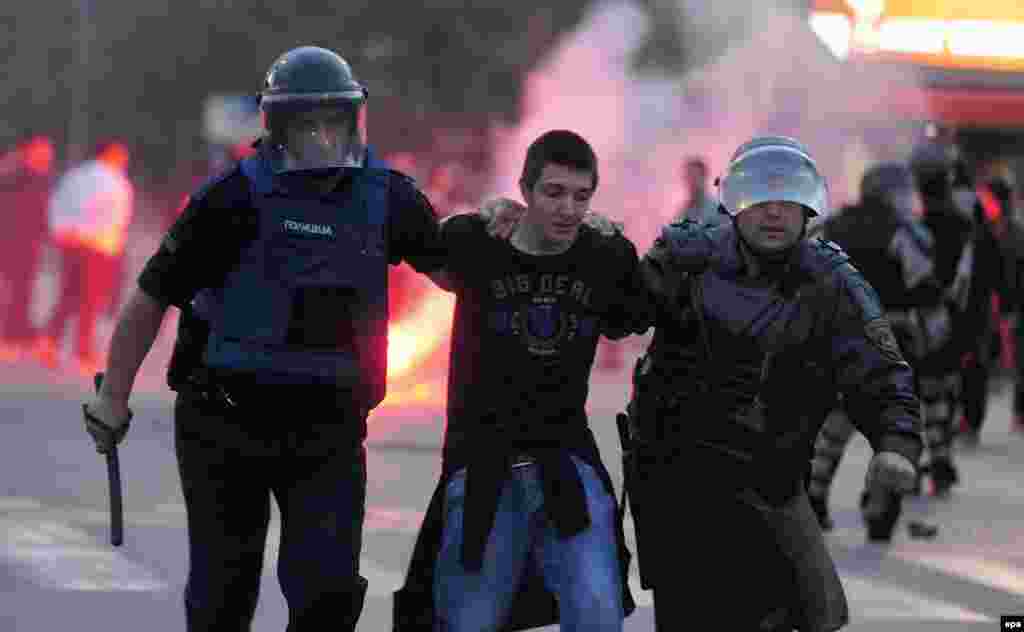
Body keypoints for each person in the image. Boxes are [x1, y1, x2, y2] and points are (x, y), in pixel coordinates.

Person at [81, 45, 450, 631]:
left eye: (334, 120)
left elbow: (452, 268)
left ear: (352, 119)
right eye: (307, 122)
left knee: (327, 596)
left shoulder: (388, 197)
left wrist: (509, 225)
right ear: (278, 125)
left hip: (328, 432)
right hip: (225, 426)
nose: (323, 135)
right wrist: (112, 398)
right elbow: (152, 295)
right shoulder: (228, 199)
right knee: (224, 596)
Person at [626, 136, 922, 630]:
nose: (773, 212)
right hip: (679, 483)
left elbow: (879, 367)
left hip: (772, 479)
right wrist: (595, 247)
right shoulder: (685, 258)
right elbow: (616, 309)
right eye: (760, 196)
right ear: (733, 199)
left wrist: (895, 442)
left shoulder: (832, 279)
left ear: (808, 206)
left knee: (812, 613)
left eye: (787, 199)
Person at [394, 130, 650, 631]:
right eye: (553, 192)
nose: (567, 208)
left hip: (565, 461)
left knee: (598, 610)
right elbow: (417, 245)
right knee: (468, 618)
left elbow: (635, 313)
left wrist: (617, 242)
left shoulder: (603, 258)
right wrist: (476, 215)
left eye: (581, 196)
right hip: (482, 462)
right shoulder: (477, 243)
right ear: (526, 191)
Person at [809, 162, 950, 540]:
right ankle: (880, 509)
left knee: (834, 427)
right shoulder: (906, 233)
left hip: (839, 341)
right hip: (894, 342)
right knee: (892, 427)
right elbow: (925, 287)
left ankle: (816, 497)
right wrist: (937, 340)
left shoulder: (834, 226)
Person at [907, 139, 976, 495]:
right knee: (939, 396)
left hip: (915, 320)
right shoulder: (963, 225)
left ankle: (923, 461)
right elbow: (967, 280)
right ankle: (940, 460)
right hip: (948, 318)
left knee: (916, 398)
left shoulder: (911, 225)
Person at [35, 140, 134, 374]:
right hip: (98, 247)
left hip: (70, 243)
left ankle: (49, 339)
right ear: (110, 154)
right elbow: (118, 220)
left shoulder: (75, 176)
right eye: (121, 154)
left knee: (68, 294)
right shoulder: (117, 182)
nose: (124, 159)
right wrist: (114, 249)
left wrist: (60, 233)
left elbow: (56, 205)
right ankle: (83, 352)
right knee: (90, 300)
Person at [0, 134, 54, 360]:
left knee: (23, 291)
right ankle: (10, 337)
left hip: (29, 243)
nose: (47, 158)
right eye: (42, 153)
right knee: (14, 291)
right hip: (11, 241)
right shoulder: (13, 175)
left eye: (48, 154)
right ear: (28, 151)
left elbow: (41, 212)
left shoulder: (39, 177)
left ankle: (18, 335)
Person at [674, 156, 722, 227]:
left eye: (694, 177)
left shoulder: (716, 208)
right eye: (688, 177)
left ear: (704, 177)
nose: (691, 182)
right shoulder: (683, 211)